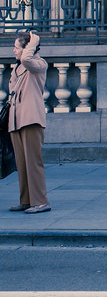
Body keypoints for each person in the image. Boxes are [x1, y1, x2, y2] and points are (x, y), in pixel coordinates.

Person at [7, 31, 49, 213]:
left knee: (33, 162)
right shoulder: (16, 68)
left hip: (31, 119)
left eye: (17, 47)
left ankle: (40, 201)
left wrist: (34, 42)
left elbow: (26, 60)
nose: (14, 51)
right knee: (22, 163)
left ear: (27, 49)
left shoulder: (38, 64)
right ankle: (26, 200)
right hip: (16, 121)